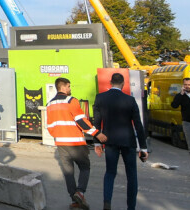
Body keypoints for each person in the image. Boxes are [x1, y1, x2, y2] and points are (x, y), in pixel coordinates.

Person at [48, 77, 106, 210]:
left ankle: (75, 201)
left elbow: (50, 127)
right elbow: (82, 121)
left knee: (69, 172)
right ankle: (80, 192)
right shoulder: (71, 101)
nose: (70, 89)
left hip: (61, 144)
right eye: (69, 86)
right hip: (76, 143)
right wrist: (97, 133)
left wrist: (59, 136)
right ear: (63, 87)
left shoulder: (50, 104)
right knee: (85, 167)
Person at [92, 72, 148, 210]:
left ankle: (107, 203)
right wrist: (143, 148)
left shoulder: (100, 98)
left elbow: (97, 122)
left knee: (110, 172)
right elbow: (138, 125)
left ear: (110, 83)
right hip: (128, 141)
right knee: (131, 175)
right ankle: (131, 207)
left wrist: (97, 142)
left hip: (109, 140)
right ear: (123, 84)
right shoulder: (130, 100)